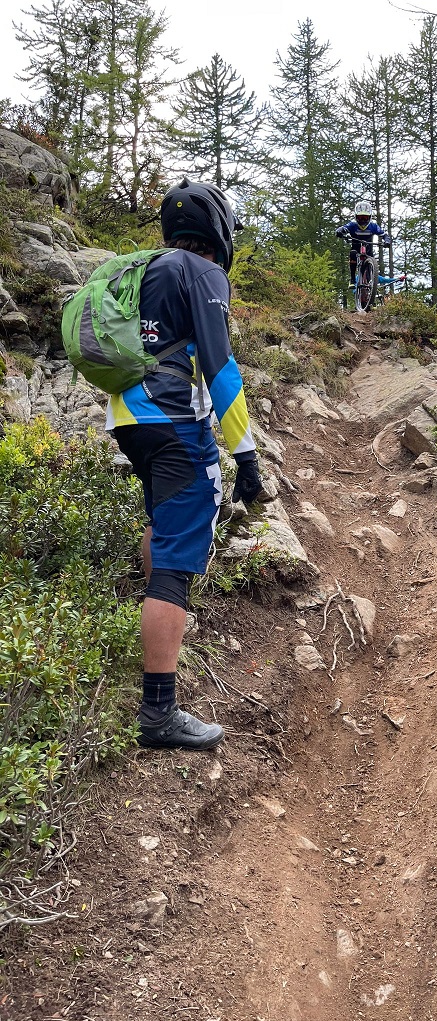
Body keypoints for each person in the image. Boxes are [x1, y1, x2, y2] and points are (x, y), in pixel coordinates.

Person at [107, 178, 272, 752]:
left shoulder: (147, 267)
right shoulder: (203, 273)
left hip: (128, 417)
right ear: (218, 234)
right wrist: (246, 454)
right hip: (175, 421)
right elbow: (221, 368)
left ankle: (160, 617)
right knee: (179, 556)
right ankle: (159, 712)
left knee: (162, 523)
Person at [335, 200, 391, 285]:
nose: (363, 220)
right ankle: (353, 279)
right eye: (360, 217)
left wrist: (387, 241)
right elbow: (343, 229)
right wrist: (339, 232)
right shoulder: (352, 225)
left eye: (365, 218)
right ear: (356, 217)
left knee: (370, 269)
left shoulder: (373, 226)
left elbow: (384, 235)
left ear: (370, 217)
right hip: (356, 249)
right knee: (353, 254)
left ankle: (370, 286)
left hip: (369, 251)